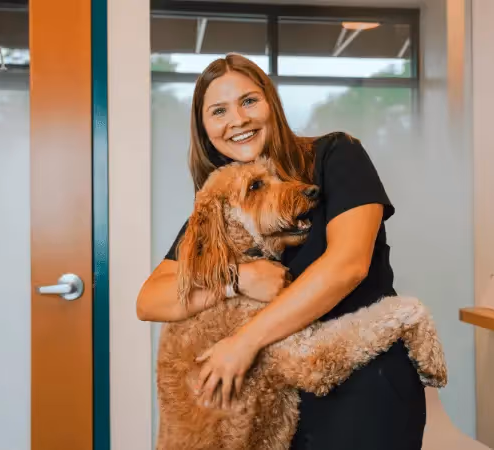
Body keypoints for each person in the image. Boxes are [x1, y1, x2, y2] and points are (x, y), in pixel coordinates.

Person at [136, 53, 426, 449]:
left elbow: (348, 266)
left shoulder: (335, 155)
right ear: (205, 130)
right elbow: (150, 299)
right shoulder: (225, 203)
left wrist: (243, 344)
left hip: (362, 387)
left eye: (249, 101)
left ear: (271, 103)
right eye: (218, 111)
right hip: (274, 409)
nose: (237, 120)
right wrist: (238, 281)